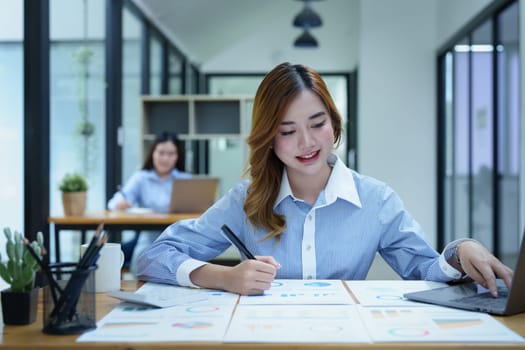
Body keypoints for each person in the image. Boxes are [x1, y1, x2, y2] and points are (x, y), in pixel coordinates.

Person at [136, 62, 513, 296]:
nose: (306, 143)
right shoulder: (245, 200)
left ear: (333, 122)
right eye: (287, 131)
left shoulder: (376, 200)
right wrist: (224, 277)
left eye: (317, 124)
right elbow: (152, 258)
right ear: (269, 138)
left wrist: (460, 251)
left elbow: (426, 270)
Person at [107, 131, 191, 273]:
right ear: (153, 153)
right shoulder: (141, 178)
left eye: (171, 154)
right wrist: (121, 203)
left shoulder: (185, 179)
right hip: (148, 238)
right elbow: (114, 202)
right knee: (142, 266)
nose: (165, 158)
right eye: (161, 152)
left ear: (178, 156)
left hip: (179, 237)